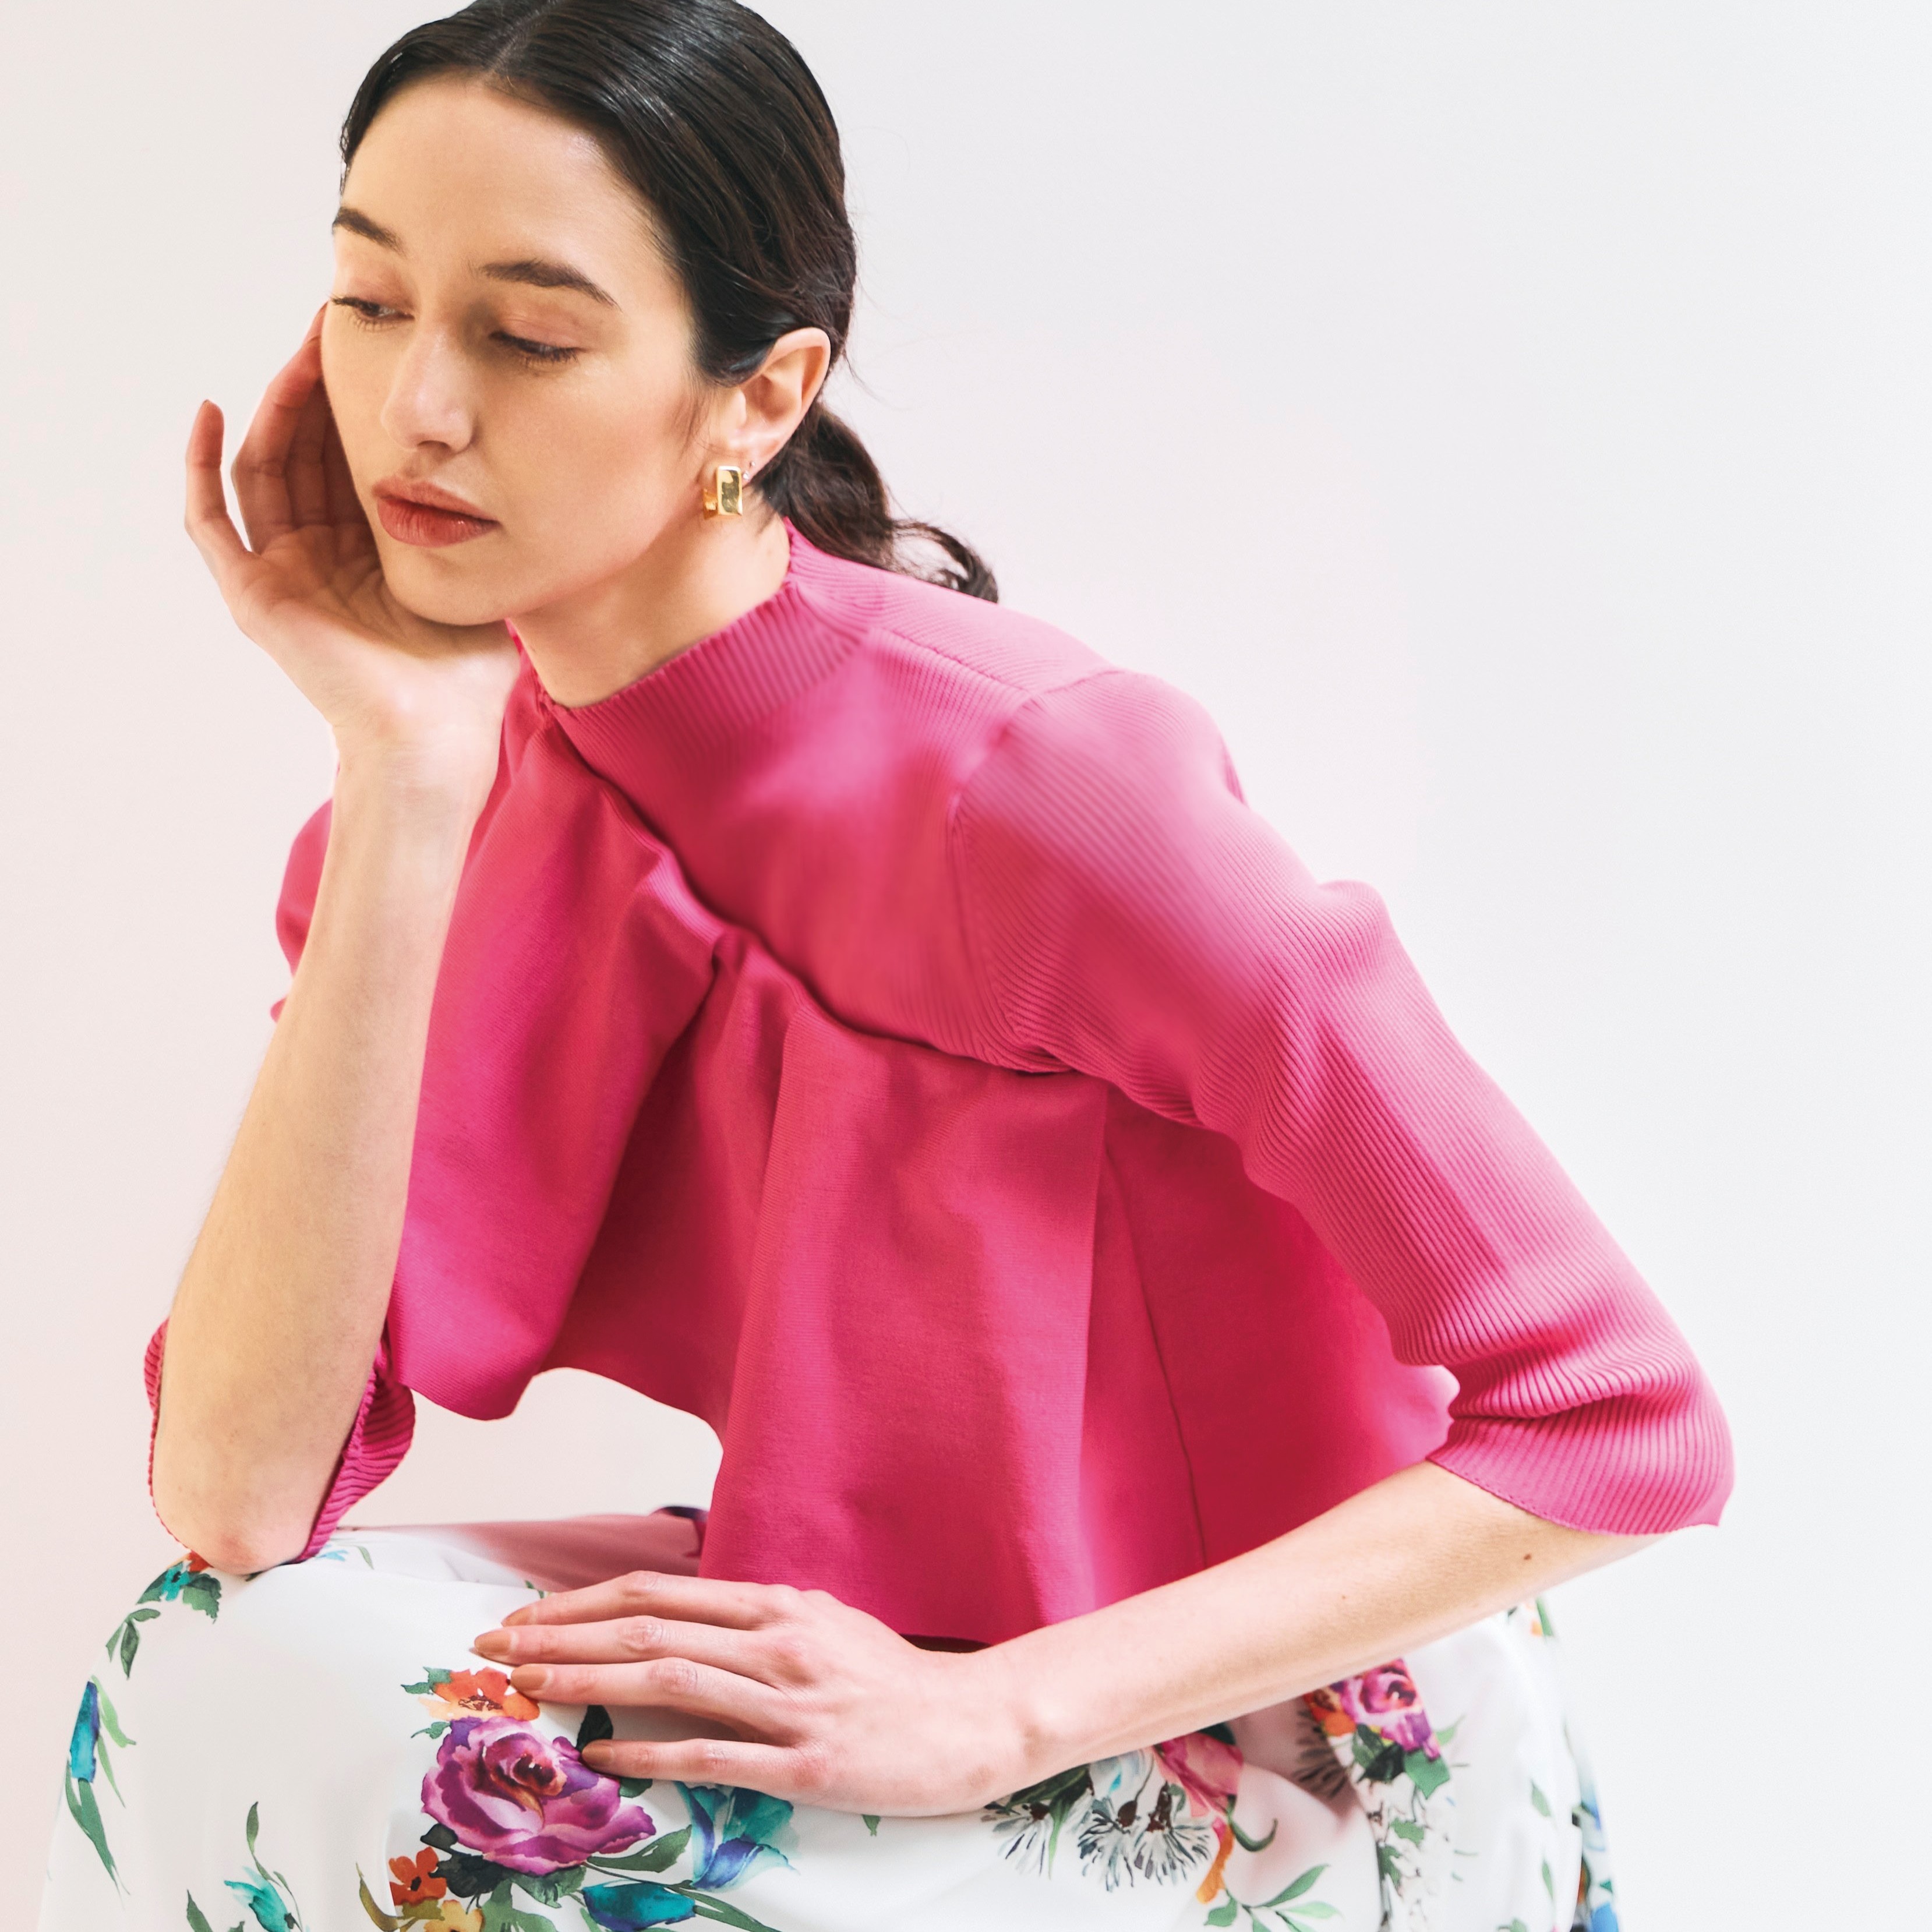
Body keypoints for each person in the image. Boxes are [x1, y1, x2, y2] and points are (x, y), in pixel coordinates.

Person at [38, 3, 1730, 1929]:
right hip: (881, 1673)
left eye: (527, 336)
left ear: (758, 398)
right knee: (214, 1672)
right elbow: (237, 1498)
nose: (417, 407)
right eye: (367, 302)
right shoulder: (443, 815)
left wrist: (994, 1713)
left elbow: (1626, 1418)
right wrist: (405, 771)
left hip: (1262, 1742)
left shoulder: (1047, 788)